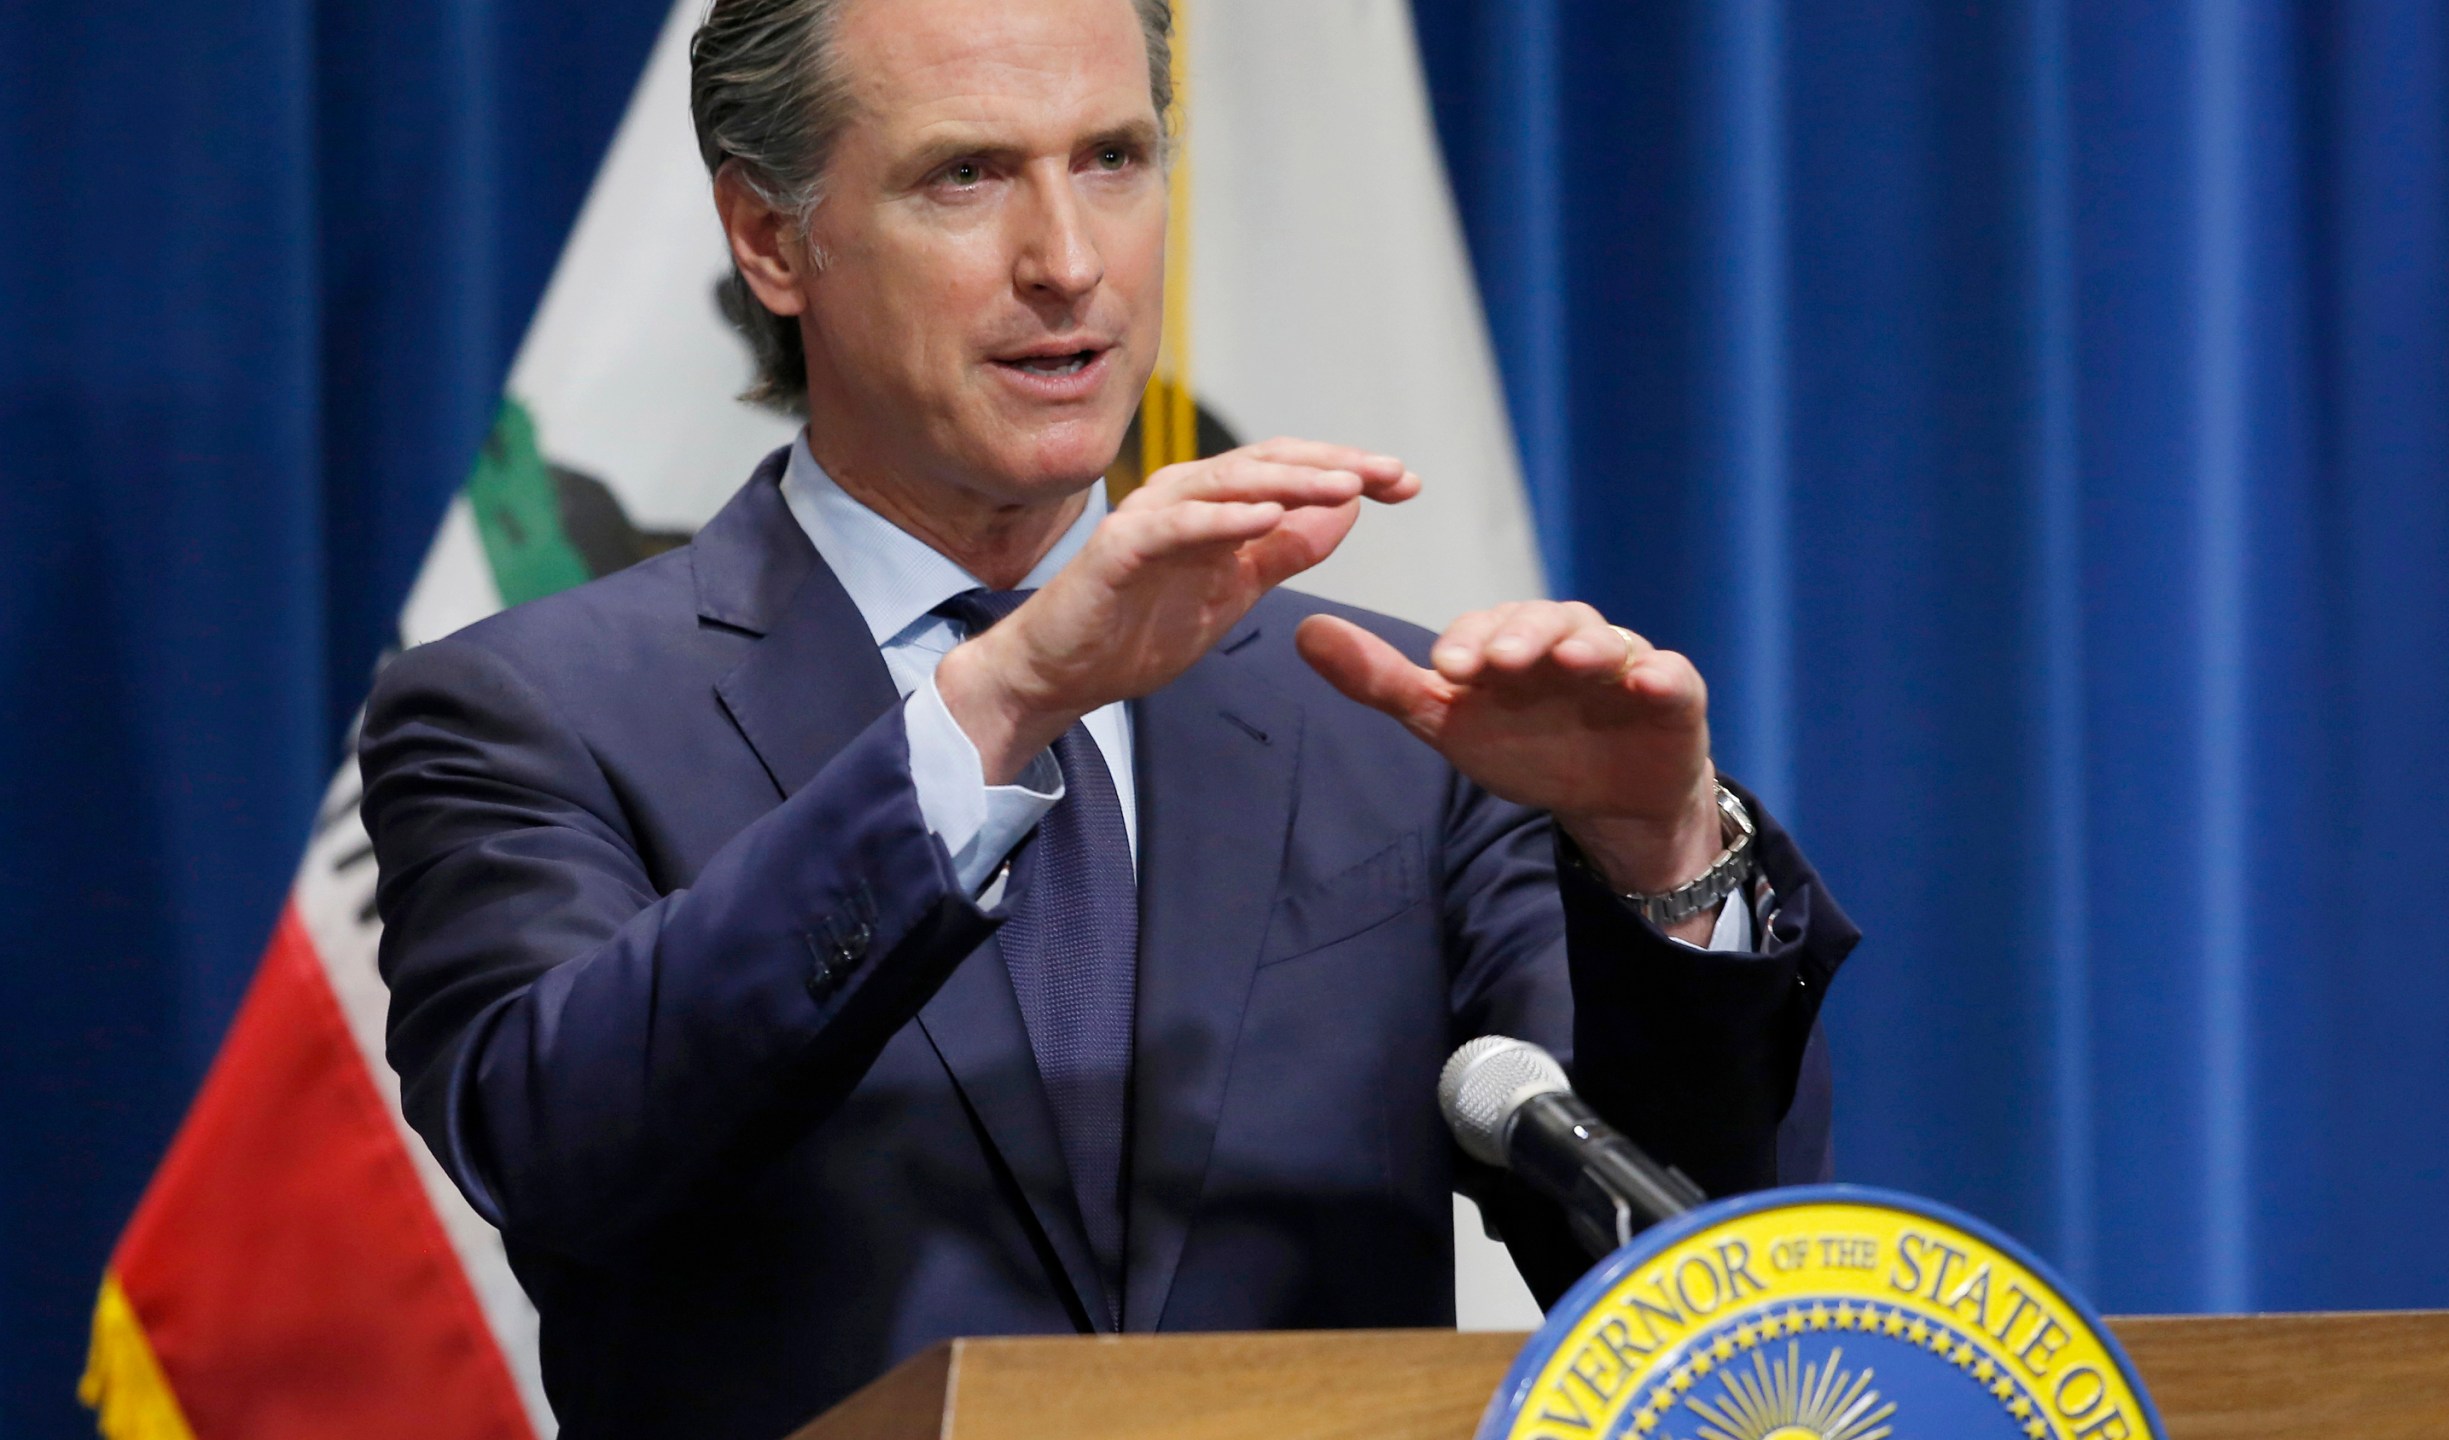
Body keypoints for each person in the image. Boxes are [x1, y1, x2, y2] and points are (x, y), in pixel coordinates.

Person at [356, 0, 1860, 1435]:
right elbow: (554, 1149)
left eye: (1113, 160)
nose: (1068, 260)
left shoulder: (1386, 719)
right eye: (965, 176)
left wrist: (1664, 870)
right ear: (771, 238)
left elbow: (1691, 1283)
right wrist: (997, 705)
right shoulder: (528, 711)